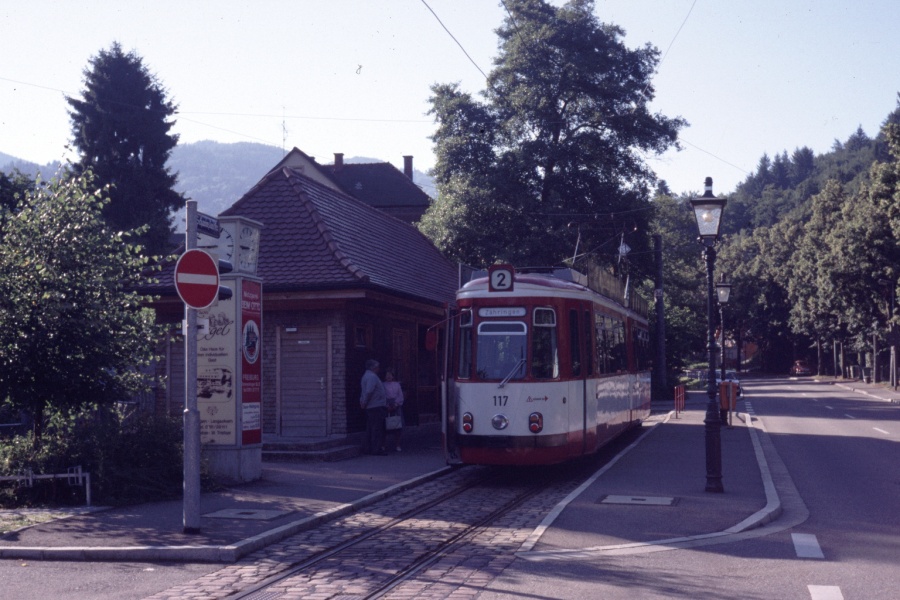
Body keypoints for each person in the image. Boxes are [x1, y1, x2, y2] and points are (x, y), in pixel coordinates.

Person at [359, 359, 388, 455]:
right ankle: (376, 449)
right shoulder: (372, 377)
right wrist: (365, 401)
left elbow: (365, 391)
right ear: (374, 368)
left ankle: (367, 448)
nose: (378, 369)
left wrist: (363, 401)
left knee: (371, 427)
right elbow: (369, 391)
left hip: (372, 405)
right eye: (377, 367)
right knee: (377, 428)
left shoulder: (367, 376)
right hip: (375, 405)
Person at [383, 369, 404, 452]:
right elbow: (382, 396)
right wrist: (386, 405)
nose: (388, 376)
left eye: (390, 374)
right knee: (384, 426)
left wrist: (396, 404)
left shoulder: (397, 385)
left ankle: (398, 445)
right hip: (386, 406)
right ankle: (383, 445)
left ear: (393, 376)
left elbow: (400, 395)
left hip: (396, 406)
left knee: (397, 426)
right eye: (387, 374)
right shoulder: (382, 385)